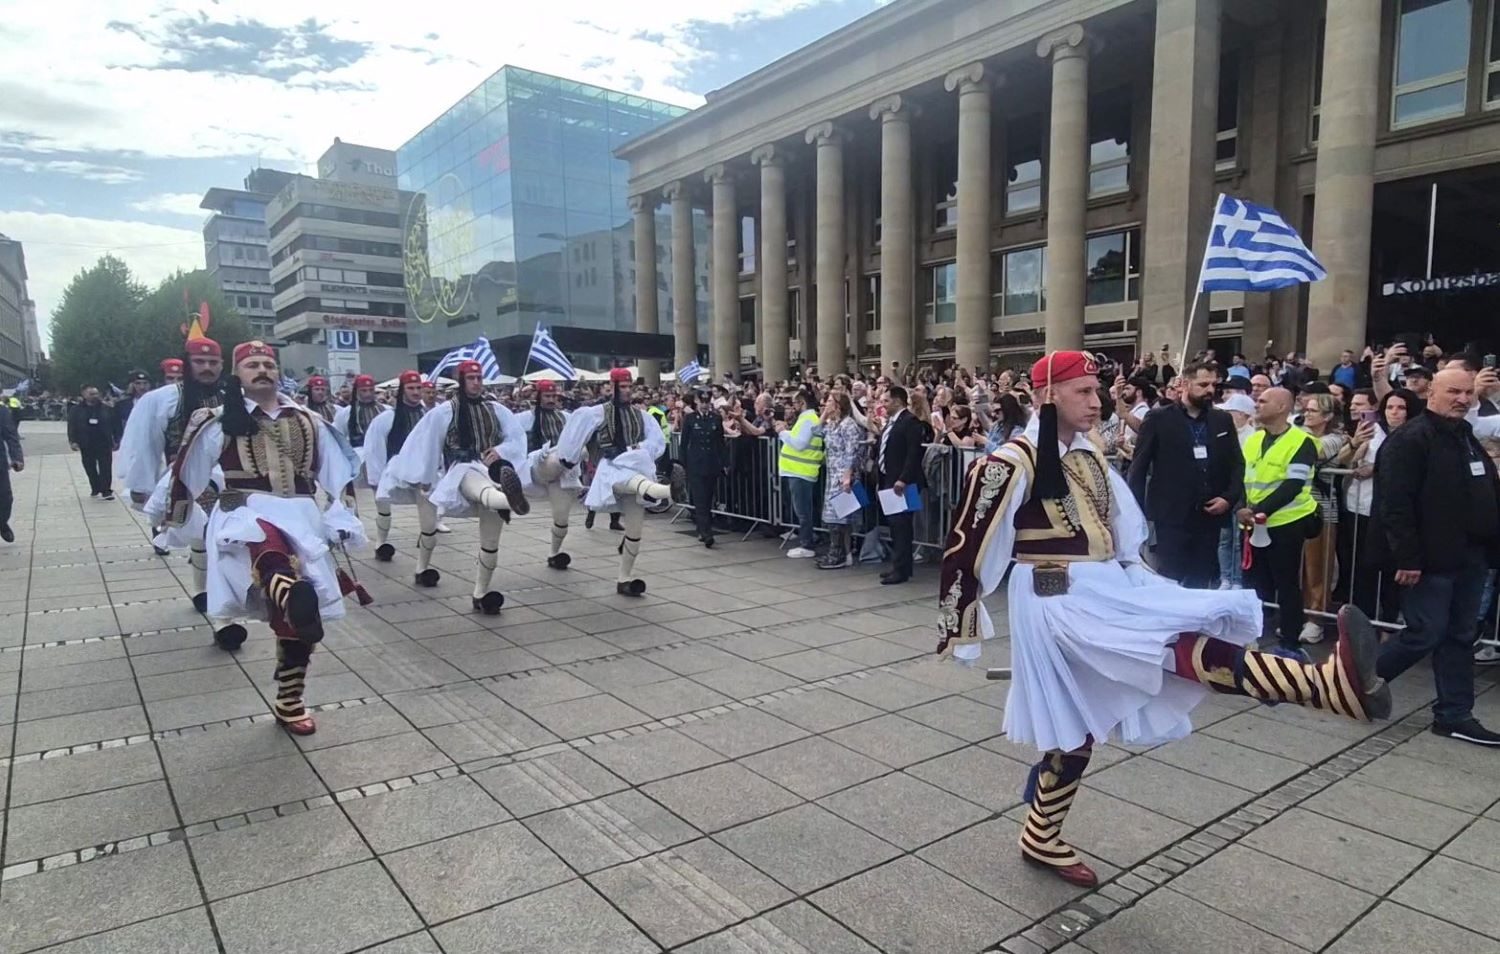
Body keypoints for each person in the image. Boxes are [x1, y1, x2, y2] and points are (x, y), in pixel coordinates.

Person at [938, 350, 1390, 888]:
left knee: (1077, 726)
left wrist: (1139, 577)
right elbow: (968, 541)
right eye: (1083, 391)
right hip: (1054, 595)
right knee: (1166, 648)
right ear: (1047, 395)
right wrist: (960, 627)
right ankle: (1322, 686)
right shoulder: (1011, 461)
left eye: (1096, 391)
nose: (1096, 402)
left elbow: (1121, 523)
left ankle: (1040, 834)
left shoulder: (1088, 454)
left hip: (1103, 584)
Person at [154, 340, 365, 736]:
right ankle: (290, 592)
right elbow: (187, 472)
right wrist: (171, 518)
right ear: (237, 374)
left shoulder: (310, 420)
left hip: (301, 514)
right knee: (269, 548)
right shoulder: (217, 420)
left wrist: (342, 517)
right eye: (252, 365)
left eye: (268, 363)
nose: (262, 370)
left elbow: (339, 477)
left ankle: (290, 698)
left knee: (297, 617)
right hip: (245, 511)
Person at [1370, 367, 1500, 746]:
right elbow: (1396, 504)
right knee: (1424, 632)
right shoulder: (1411, 439)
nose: (1462, 399)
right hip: (1430, 559)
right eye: (1453, 392)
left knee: (1460, 636)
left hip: (1470, 557)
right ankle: (1355, 680)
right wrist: (1407, 558)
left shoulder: (1464, 436)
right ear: (1432, 393)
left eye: (1468, 393)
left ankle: (1454, 714)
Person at [381, 359, 526, 613]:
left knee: (491, 542)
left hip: (493, 470)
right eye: (471, 378)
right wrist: (426, 478)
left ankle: (481, 593)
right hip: (460, 470)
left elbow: (517, 438)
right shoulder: (445, 412)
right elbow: (429, 444)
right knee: (444, 517)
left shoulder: (497, 410)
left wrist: (501, 450)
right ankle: (510, 499)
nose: (476, 383)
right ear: (461, 381)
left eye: (479, 378)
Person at [118, 337, 229, 627]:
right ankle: (206, 593)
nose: (207, 367)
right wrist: (142, 485)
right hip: (186, 477)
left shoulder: (235, 397)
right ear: (188, 364)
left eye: (213, 362)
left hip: (232, 477)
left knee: (228, 538)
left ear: (222, 365)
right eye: (200, 362)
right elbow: (144, 443)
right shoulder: (162, 399)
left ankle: (222, 598)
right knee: (202, 533)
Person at [552, 368, 681, 596]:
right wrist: (568, 459)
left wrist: (636, 448)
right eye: (623, 387)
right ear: (611, 387)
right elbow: (575, 435)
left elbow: (657, 441)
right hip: (610, 469)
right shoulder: (597, 413)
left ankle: (624, 579)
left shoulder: (641, 416)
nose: (627, 391)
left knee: (635, 530)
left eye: (630, 386)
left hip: (635, 465)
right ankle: (667, 491)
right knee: (632, 481)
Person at [1127, 362, 1243, 589]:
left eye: (1213, 385)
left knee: (1201, 578)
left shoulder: (1222, 420)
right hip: (1170, 516)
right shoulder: (1158, 418)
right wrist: (1136, 512)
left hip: (1210, 514)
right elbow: (1139, 467)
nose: (1210, 390)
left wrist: (1228, 498)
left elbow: (1237, 463)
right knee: (1170, 578)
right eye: (1203, 384)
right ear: (1185, 384)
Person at [1238, 388, 1321, 654]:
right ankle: (1251, 637)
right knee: (1253, 584)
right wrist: (1242, 508)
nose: (1257, 405)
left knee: (1286, 585)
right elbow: (1242, 477)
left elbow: (1293, 485)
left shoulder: (1302, 442)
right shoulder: (1253, 440)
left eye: (1263, 401)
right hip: (1253, 523)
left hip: (1287, 522)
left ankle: (1289, 643)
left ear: (1282, 406)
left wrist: (1257, 510)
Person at [1297, 392, 1349, 643]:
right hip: (1296, 508)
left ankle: (1315, 619)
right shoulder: (1300, 434)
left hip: (1322, 510)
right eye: (1306, 409)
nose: (1307, 414)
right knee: (1300, 568)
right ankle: (1301, 613)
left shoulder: (1335, 440)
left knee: (1318, 567)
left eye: (1313, 410)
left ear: (1328, 416)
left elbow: (1310, 451)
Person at [361, 371, 427, 563]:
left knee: (428, 507)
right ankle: (381, 543)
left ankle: (425, 546)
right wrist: (376, 478)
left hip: (422, 471)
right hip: (393, 470)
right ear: (402, 391)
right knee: (383, 509)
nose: (416, 392)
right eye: (411, 388)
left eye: (418, 388)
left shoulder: (429, 416)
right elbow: (375, 449)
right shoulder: (385, 418)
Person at [514, 379, 582, 567]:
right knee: (554, 458)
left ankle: (554, 554)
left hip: (562, 473)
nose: (551, 400)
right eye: (547, 396)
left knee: (562, 520)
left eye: (554, 396)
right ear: (538, 397)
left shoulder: (566, 417)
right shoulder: (524, 418)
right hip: (537, 465)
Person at [877, 385, 924, 585]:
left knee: (902, 525)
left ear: (897, 401)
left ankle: (902, 569)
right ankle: (898, 564)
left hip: (904, 482)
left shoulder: (910, 422)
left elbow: (913, 453)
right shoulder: (891, 423)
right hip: (888, 478)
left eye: (886, 401)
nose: (883, 405)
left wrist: (904, 478)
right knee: (895, 525)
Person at [818, 390, 865, 569]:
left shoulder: (848, 425)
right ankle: (841, 552)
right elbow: (816, 432)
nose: (826, 404)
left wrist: (847, 475)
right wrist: (824, 414)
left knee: (841, 517)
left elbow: (852, 451)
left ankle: (840, 553)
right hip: (832, 473)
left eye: (830, 401)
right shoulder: (832, 424)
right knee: (834, 516)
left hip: (844, 475)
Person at [776, 387, 824, 559]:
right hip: (799, 471)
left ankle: (807, 544)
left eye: (794, 403)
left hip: (801, 471)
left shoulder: (808, 419)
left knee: (803, 511)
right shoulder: (807, 419)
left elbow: (800, 444)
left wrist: (783, 433)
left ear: (802, 403)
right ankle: (808, 540)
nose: (792, 406)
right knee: (803, 510)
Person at [680, 388, 727, 548]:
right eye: (702, 402)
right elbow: (684, 444)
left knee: (708, 498)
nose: (705, 405)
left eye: (707, 402)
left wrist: (724, 463)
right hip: (696, 464)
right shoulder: (690, 419)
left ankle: (702, 528)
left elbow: (720, 443)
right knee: (700, 500)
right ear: (697, 401)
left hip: (711, 464)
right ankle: (707, 533)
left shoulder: (716, 418)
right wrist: (683, 465)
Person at [69, 386, 119, 500]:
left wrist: (116, 439)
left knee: (105, 467)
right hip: (86, 443)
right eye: (91, 394)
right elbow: (72, 426)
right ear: (84, 395)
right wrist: (73, 441)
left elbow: (115, 425)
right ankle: (95, 486)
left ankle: (106, 490)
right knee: (89, 467)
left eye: (96, 394)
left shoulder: (107, 409)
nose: (94, 396)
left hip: (103, 442)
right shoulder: (76, 410)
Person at [334, 375, 384, 453]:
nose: (368, 394)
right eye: (364, 391)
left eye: (371, 390)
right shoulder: (345, 413)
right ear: (356, 391)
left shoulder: (385, 410)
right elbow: (339, 438)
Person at [0, 398, 20, 543]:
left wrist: (17, 457)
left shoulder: (2, 411)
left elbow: (11, 436)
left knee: (5, 498)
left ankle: (2, 522)